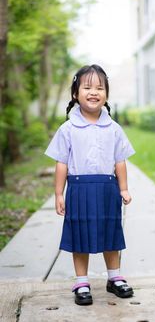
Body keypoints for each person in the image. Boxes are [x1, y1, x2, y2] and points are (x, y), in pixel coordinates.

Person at [44, 64, 135, 306]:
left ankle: (114, 277)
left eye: (99, 87)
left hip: (107, 189)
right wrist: (58, 193)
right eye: (87, 87)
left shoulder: (114, 129)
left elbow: (120, 160)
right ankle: (81, 281)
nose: (93, 92)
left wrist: (123, 188)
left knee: (111, 233)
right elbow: (61, 163)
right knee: (80, 234)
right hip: (79, 190)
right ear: (76, 94)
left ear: (106, 94)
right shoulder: (68, 129)